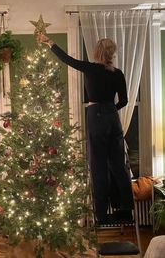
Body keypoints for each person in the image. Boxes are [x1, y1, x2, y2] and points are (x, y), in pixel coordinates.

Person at [37, 33, 134, 223]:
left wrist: (50, 42)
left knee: (97, 165)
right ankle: (125, 208)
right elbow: (124, 100)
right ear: (111, 54)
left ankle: (101, 214)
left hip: (96, 114)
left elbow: (68, 60)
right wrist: (110, 110)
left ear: (97, 53)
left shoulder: (91, 68)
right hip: (112, 117)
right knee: (118, 165)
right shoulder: (118, 73)